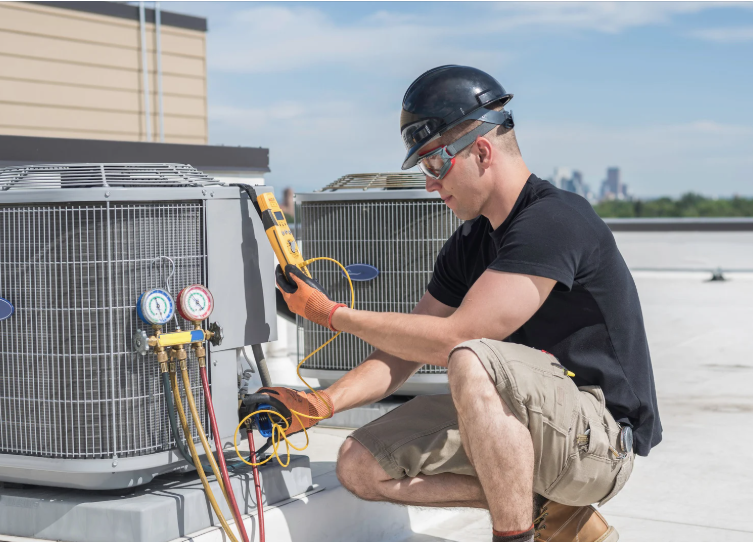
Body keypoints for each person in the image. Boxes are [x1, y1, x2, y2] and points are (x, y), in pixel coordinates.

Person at [249, 65, 662, 542]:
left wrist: (330, 314)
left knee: (470, 357)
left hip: (601, 441)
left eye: (433, 165)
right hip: (536, 426)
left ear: (481, 151)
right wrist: (321, 402)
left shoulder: (555, 220)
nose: (430, 184)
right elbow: (407, 347)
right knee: (360, 465)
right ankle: (554, 514)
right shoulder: (470, 242)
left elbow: (456, 338)